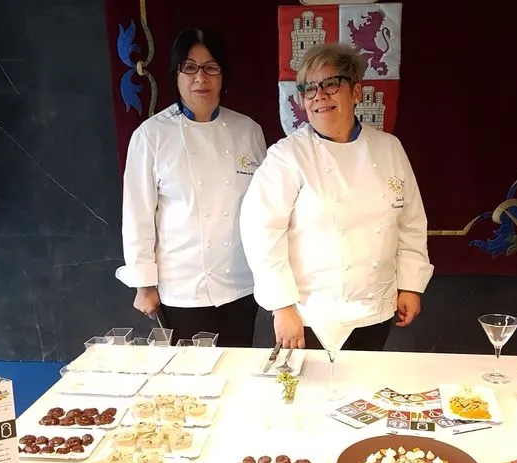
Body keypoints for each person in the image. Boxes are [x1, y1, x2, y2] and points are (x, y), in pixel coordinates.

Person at [239, 43, 434, 354]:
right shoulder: (287, 155)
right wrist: (282, 306)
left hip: (376, 307)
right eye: (309, 88)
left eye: (330, 84)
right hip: (308, 314)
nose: (319, 96)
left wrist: (410, 285)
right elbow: (261, 233)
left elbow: (410, 223)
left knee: (363, 384)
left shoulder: (389, 148)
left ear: (356, 92)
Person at [115, 27, 266, 347]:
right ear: (176, 74)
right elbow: (138, 215)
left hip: (241, 282)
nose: (201, 78)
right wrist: (144, 283)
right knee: (189, 372)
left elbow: (263, 208)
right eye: (190, 67)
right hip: (182, 286)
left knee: (238, 365)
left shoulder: (248, 131)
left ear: (223, 75)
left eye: (211, 67)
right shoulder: (151, 135)